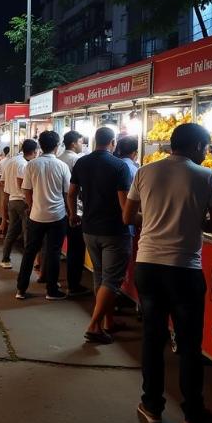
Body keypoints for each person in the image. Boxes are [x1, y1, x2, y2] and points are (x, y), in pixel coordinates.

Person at [123, 123, 212, 423]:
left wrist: (155, 216)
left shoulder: (145, 172)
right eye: (206, 147)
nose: (207, 153)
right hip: (185, 268)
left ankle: (152, 406)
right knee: (189, 344)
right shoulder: (207, 176)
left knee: (153, 339)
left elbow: (128, 217)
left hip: (149, 266)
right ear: (196, 146)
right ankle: (193, 413)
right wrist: (193, 219)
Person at [68, 127, 133, 344]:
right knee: (112, 280)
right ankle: (94, 325)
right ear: (113, 142)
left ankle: (108, 322)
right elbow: (125, 205)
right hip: (114, 231)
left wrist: (72, 214)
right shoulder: (119, 166)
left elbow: (72, 192)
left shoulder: (82, 162)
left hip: (89, 228)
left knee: (100, 276)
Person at [15, 130, 71, 302]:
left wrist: (32, 206)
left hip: (36, 215)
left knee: (30, 252)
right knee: (53, 253)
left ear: (40, 146)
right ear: (56, 146)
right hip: (57, 215)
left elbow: (26, 190)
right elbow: (68, 192)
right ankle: (51, 290)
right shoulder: (62, 166)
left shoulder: (31, 165)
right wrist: (71, 213)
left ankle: (21, 289)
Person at [56, 130, 88, 297]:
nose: (82, 145)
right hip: (73, 210)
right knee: (76, 248)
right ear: (74, 143)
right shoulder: (77, 160)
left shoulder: (59, 158)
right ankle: (73, 285)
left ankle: (52, 280)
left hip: (59, 209)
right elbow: (75, 190)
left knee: (60, 246)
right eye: (81, 141)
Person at [0, 139, 38, 268]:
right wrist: (30, 202)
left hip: (12, 201)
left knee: (12, 232)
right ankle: (27, 265)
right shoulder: (24, 164)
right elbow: (21, 184)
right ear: (33, 152)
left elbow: (2, 182)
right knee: (28, 235)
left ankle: (5, 260)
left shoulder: (10, 161)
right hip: (22, 202)